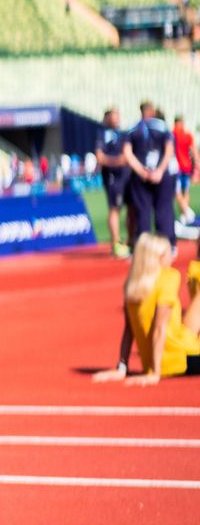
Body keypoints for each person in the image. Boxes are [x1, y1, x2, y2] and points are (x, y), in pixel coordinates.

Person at [93, 233, 200, 384]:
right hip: (181, 357)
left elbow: (129, 331)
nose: (172, 258)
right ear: (160, 257)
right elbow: (159, 328)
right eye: (169, 253)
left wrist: (122, 367)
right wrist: (156, 373)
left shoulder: (132, 285)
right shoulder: (168, 277)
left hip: (151, 363)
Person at [123, 101, 176, 247]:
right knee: (163, 210)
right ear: (151, 111)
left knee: (143, 212)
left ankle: (143, 249)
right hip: (162, 175)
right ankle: (167, 246)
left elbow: (127, 154)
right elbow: (169, 150)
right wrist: (159, 171)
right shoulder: (163, 126)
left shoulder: (132, 128)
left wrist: (141, 171)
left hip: (141, 176)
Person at [95, 108, 129, 258]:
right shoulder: (102, 134)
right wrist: (117, 161)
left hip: (127, 176)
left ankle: (129, 241)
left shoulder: (123, 133)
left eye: (118, 115)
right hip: (112, 178)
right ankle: (115, 243)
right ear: (107, 118)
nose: (117, 118)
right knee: (114, 208)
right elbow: (100, 157)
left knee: (130, 208)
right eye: (114, 115)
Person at [173, 115, 194, 228]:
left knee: (177, 192)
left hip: (177, 168)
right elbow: (193, 151)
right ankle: (185, 215)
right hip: (187, 167)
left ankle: (186, 212)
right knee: (185, 191)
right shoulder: (188, 134)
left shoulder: (172, 133)